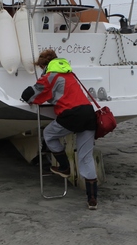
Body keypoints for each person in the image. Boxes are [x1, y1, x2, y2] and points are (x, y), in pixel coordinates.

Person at [21, 49, 99, 209]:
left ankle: (64, 167)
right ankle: (92, 199)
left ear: (43, 65)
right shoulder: (69, 73)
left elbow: (34, 92)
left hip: (72, 114)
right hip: (88, 113)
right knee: (86, 157)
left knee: (49, 134)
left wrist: (25, 97)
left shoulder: (51, 75)